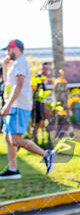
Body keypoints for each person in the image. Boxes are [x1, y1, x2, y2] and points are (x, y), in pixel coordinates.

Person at [0, 40, 56, 179]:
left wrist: (7, 106)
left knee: (16, 139)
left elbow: (18, 86)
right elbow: (8, 84)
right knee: (8, 137)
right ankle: (13, 170)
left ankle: (47, 155)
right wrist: (4, 66)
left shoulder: (20, 63)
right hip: (14, 105)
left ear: (16, 49)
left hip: (18, 106)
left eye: (9, 49)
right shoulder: (15, 64)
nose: (7, 52)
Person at [31, 62, 50, 141]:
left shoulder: (45, 79)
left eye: (47, 69)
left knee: (41, 121)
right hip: (36, 103)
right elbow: (33, 90)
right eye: (44, 68)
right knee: (36, 122)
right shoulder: (37, 78)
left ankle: (39, 139)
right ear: (40, 69)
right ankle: (34, 139)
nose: (45, 70)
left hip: (41, 103)